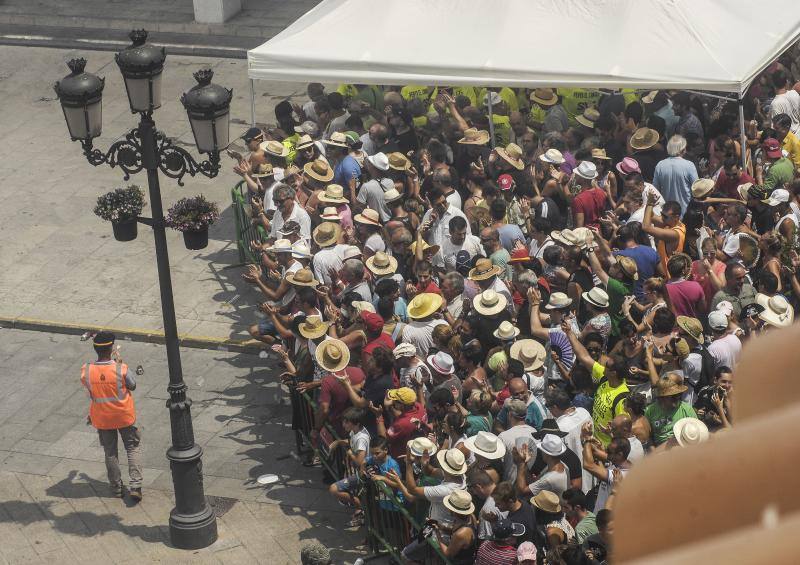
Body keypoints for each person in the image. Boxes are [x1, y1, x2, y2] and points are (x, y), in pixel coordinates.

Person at [81, 332, 143, 501]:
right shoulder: (120, 368)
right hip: (123, 415)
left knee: (110, 452)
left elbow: (93, 391)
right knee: (132, 447)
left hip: (102, 417)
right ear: (111, 349)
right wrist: (121, 364)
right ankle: (135, 485)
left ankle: (116, 487)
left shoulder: (86, 370)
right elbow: (132, 385)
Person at [646, 374, 698, 447]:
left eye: (678, 394)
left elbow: (697, 433)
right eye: (672, 396)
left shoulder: (687, 409)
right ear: (662, 397)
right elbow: (649, 437)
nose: (677, 398)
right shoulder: (650, 411)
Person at [652, 134, 698, 215]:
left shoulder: (660, 165)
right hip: (685, 213)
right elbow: (697, 189)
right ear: (683, 149)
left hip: (666, 213)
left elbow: (655, 190)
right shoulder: (689, 165)